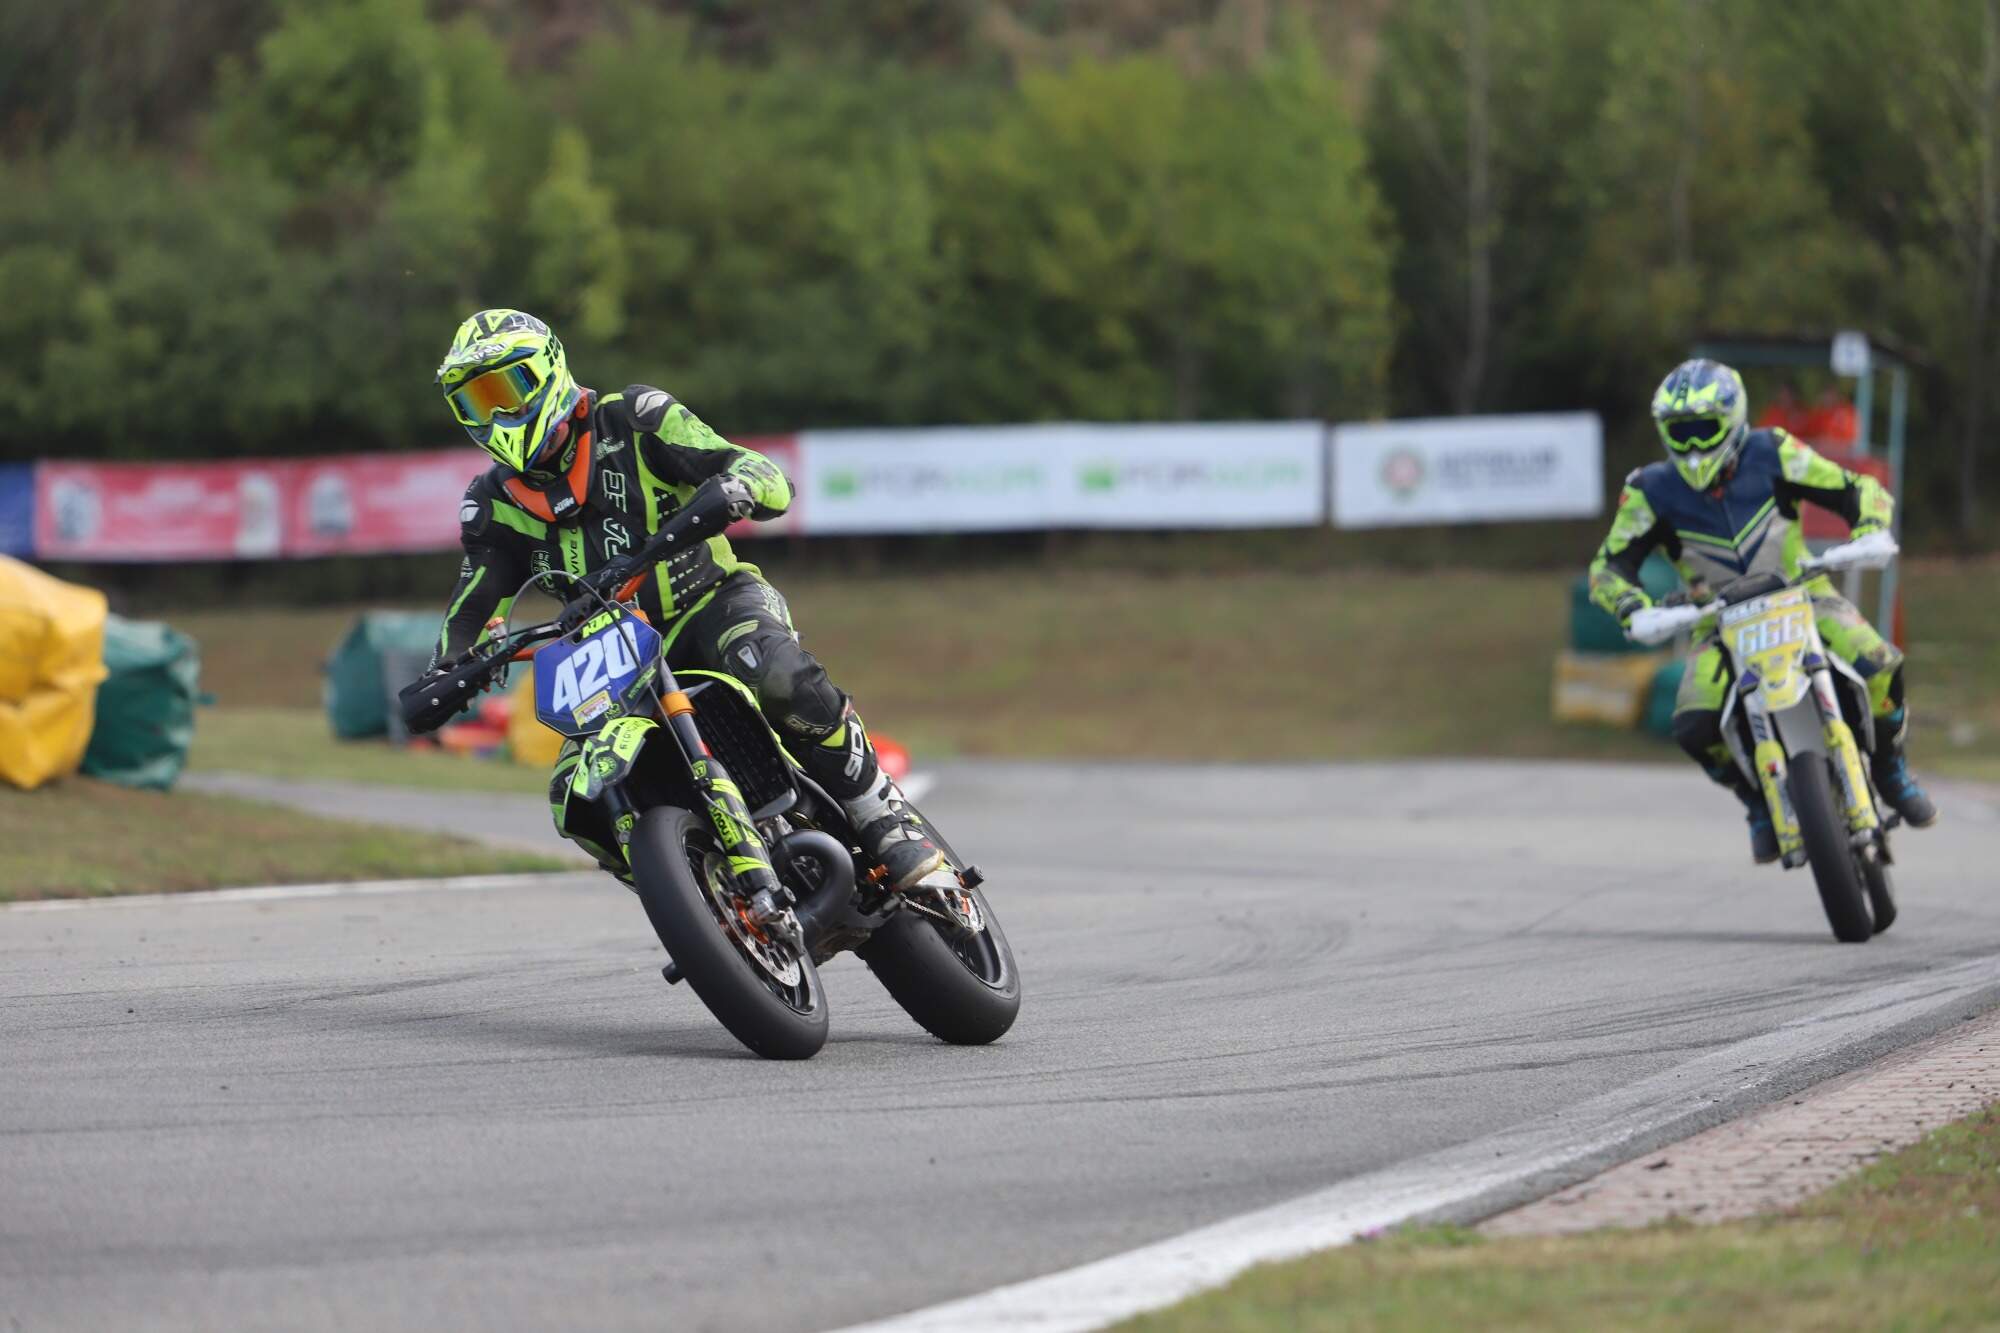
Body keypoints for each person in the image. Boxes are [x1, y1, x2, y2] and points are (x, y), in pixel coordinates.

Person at [416, 308, 944, 889]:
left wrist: (741, 486)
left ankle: (881, 813)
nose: (495, 414)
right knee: (574, 796)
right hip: (610, 657)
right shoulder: (490, 503)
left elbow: (755, 470)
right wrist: (447, 669)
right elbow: (473, 604)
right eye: (475, 401)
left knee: (773, 672)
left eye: (504, 390)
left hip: (711, 602)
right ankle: (705, 895)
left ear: (548, 371)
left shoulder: (636, 417)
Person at [1588, 358, 1937, 862]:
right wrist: (1632, 607)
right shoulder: (1648, 490)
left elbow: (1855, 488)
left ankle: (1891, 769)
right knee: (1693, 723)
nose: (1692, 446)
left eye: (1703, 429)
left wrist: (1869, 528)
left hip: (1802, 594)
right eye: (1679, 433)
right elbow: (1608, 566)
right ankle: (1755, 801)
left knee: (1880, 663)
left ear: (1732, 420)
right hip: (1715, 621)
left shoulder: (1773, 450)